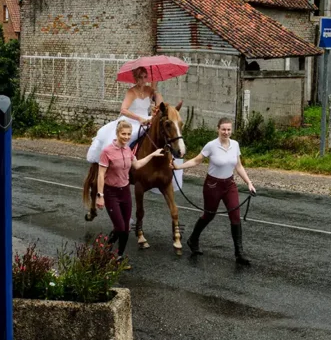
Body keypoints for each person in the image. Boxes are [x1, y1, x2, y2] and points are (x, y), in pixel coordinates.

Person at [176, 117, 256, 266]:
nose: (226, 132)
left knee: (235, 216)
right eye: (223, 129)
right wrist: (178, 167)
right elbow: (196, 160)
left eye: (229, 129)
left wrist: (249, 183)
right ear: (218, 129)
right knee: (209, 215)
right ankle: (193, 239)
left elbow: (238, 166)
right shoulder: (211, 145)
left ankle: (239, 253)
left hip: (229, 184)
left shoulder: (235, 145)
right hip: (212, 185)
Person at [96, 120, 164, 261]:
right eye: (123, 134)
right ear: (117, 133)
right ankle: (105, 250)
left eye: (128, 134)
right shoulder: (107, 151)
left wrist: (152, 155)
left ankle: (119, 256)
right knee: (120, 227)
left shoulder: (128, 150)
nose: (126, 137)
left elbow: (137, 165)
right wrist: (100, 195)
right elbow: (101, 174)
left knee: (126, 227)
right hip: (111, 193)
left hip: (125, 192)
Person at [87, 67, 164, 163]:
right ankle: (123, 160)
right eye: (140, 77)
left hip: (146, 119)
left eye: (145, 77)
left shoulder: (149, 90)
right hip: (132, 120)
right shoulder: (131, 92)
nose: (143, 80)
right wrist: (139, 118)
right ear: (136, 78)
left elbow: (159, 102)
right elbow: (123, 110)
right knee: (128, 137)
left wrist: (156, 95)